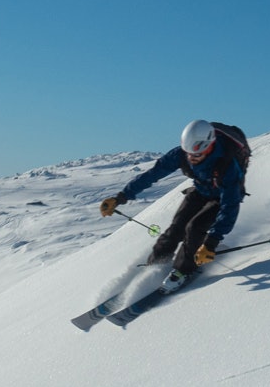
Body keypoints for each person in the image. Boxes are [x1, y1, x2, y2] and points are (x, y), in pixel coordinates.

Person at [100, 120, 247, 294]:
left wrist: (212, 241)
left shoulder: (227, 163)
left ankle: (183, 271)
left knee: (194, 228)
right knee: (176, 228)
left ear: (209, 146)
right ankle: (156, 263)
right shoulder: (181, 154)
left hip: (221, 199)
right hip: (200, 191)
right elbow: (153, 174)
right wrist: (121, 197)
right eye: (188, 153)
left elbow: (230, 205)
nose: (192, 158)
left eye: (197, 154)